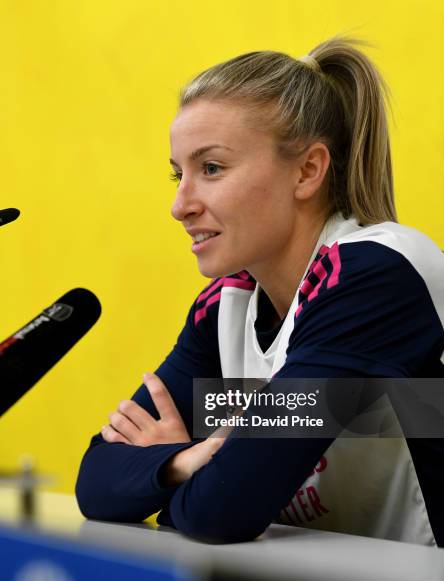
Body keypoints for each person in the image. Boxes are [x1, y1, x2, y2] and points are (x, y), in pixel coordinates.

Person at [75, 36, 444, 546]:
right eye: (178, 174)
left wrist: (182, 475)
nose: (180, 205)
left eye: (211, 169)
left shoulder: (374, 276)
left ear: (308, 170)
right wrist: (187, 461)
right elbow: (96, 482)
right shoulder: (227, 303)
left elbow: (222, 512)